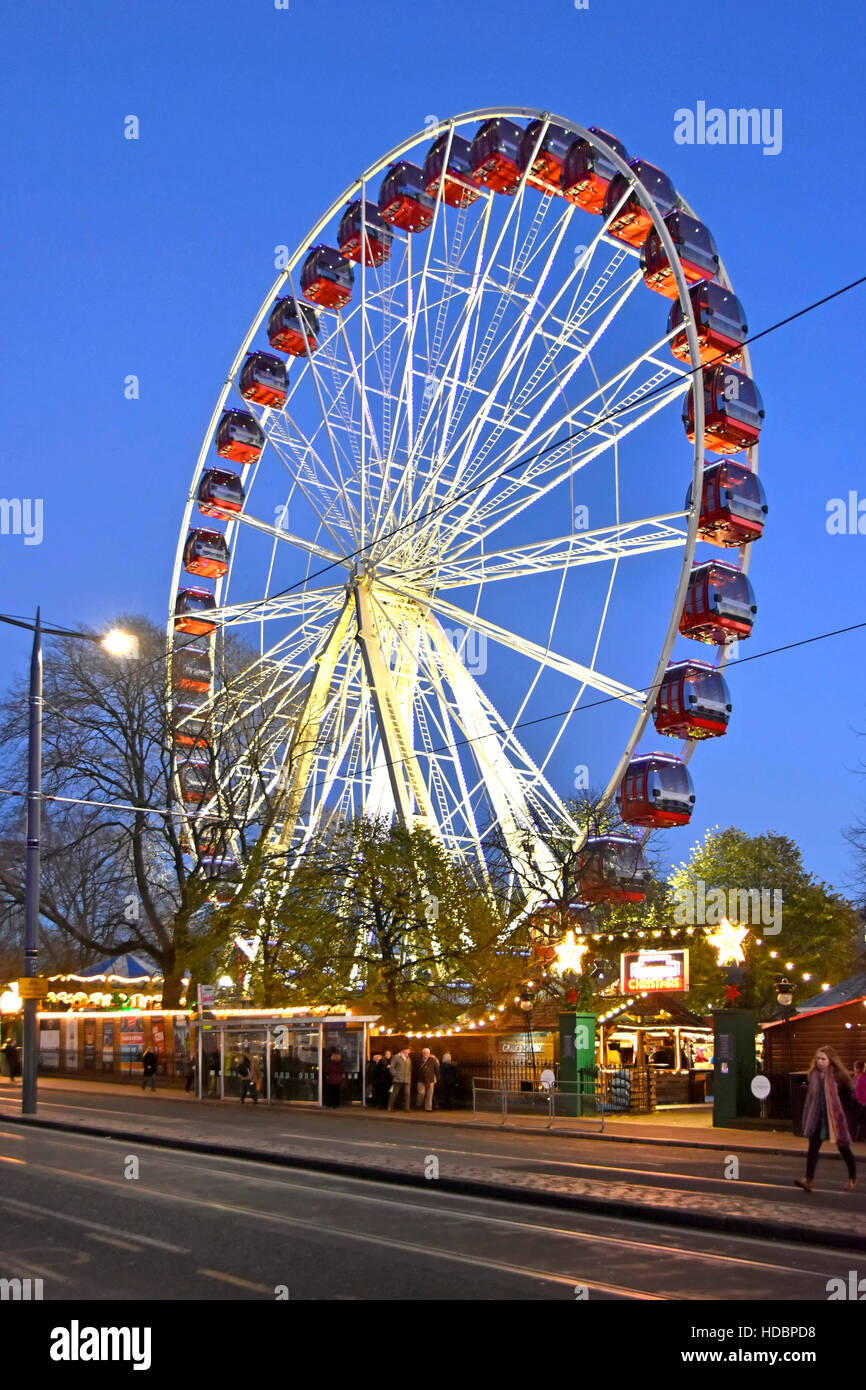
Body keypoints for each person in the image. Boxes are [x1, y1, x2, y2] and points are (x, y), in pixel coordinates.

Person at [795, 1045, 857, 1192]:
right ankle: (808, 1180)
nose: (819, 1062)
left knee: (843, 1148)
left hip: (834, 1118)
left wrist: (844, 1118)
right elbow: (810, 1099)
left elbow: (848, 1101)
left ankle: (852, 1178)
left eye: (823, 1059)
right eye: (817, 1059)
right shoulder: (814, 1076)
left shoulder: (839, 1077)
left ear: (831, 1060)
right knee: (813, 1148)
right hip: (818, 1117)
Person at [387, 1046, 412, 1111]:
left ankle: (407, 1108)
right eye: (407, 1050)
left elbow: (409, 1068)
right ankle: (390, 1107)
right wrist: (395, 1074)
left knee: (407, 1094)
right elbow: (392, 1067)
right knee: (394, 1093)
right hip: (398, 1079)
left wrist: (409, 1076)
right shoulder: (396, 1057)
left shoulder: (408, 1058)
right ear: (403, 1050)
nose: (408, 1052)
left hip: (406, 1079)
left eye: (409, 1051)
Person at [417, 1047, 440, 1111]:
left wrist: (438, 1077)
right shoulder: (419, 1060)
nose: (425, 1055)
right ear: (422, 1053)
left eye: (427, 1053)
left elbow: (436, 1069)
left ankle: (428, 1107)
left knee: (429, 1094)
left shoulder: (433, 1060)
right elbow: (416, 1069)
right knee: (421, 1093)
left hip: (430, 1079)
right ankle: (419, 1104)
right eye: (424, 1053)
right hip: (421, 1080)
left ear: (429, 1054)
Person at [853, 1060, 866, 1142]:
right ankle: (859, 1136)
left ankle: (859, 1136)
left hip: (862, 1101)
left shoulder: (862, 1077)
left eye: (856, 1067)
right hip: (858, 1101)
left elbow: (863, 1089)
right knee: (860, 1119)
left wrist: (864, 1101)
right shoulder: (858, 1076)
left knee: (860, 1119)